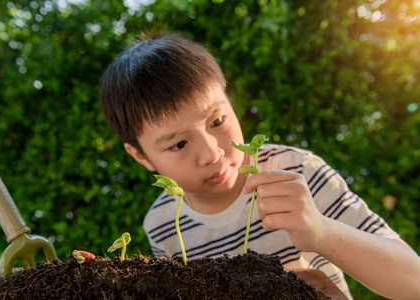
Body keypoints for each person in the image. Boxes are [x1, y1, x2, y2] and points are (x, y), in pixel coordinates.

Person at [99, 32, 420, 299]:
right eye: (179, 144)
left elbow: (413, 281)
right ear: (141, 156)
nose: (212, 153)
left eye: (217, 121)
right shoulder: (162, 224)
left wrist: (321, 232)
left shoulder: (296, 173)